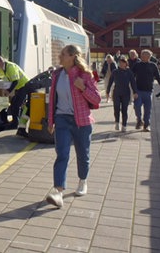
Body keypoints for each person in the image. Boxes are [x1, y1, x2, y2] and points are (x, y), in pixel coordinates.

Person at [44, 44, 101, 209]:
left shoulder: (85, 75)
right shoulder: (56, 75)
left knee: (83, 154)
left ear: (72, 57)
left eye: (63, 54)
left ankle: (83, 181)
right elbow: (52, 100)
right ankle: (58, 191)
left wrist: (82, 87)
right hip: (61, 119)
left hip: (81, 121)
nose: (59, 57)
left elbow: (97, 99)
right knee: (62, 154)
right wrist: (50, 121)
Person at [0, 55, 35, 126]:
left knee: (16, 105)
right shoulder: (2, 68)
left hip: (24, 86)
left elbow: (16, 81)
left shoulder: (10, 67)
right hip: (19, 87)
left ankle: (16, 123)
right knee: (14, 104)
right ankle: (15, 122)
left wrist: (9, 91)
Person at [131, 49, 160, 132]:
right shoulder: (137, 65)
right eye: (142, 56)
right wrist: (132, 89)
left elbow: (158, 76)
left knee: (147, 109)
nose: (143, 57)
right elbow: (131, 76)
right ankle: (139, 120)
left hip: (149, 91)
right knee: (137, 106)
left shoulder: (153, 66)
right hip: (138, 90)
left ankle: (146, 125)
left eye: (146, 56)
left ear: (149, 57)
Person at [106, 56, 138, 132]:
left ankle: (124, 125)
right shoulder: (115, 71)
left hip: (126, 93)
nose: (121, 64)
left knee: (124, 109)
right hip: (116, 92)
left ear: (126, 64)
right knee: (116, 108)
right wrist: (107, 92)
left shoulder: (129, 72)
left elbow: (133, 82)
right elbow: (110, 82)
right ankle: (117, 122)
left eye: (122, 63)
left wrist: (135, 92)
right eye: (119, 63)